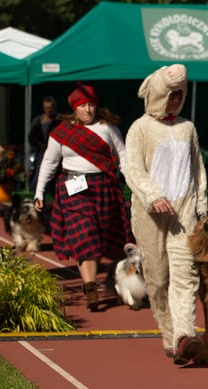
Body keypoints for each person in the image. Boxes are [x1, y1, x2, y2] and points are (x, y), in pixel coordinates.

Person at [122, 64, 208, 365]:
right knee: (158, 281)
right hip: (150, 216)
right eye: (169, 94)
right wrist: (152, 195)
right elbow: (132, 169)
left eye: (179, 95)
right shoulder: (140, 128)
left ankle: (185, 336)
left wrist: (200, 203)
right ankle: (169, 334)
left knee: (186, 275)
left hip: (184, 213)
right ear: (157, 94)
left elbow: (197, 168)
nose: (174, 100)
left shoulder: (188, 128)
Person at [33, 82, 132, 311]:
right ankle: (90, 289)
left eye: (91, 105)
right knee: (85, 235)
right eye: (83, 106)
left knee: (100, 240)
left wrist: (134, 183)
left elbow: (123, 156)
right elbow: (49, 162)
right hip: (73, 186)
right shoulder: (62, 132)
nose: (88, 110)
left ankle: (99, 281)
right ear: (74, 108)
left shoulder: (108, 128)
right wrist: (39, 191)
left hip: (104, 185)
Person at [28, 96, 61, 192]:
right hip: (40, 152)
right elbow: (32, 136)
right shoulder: (38, 121)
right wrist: (39, 144)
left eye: (50, 108)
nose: (49, 111)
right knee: (39, 171)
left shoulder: (58, 121)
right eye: (46, 108)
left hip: (55, 152)